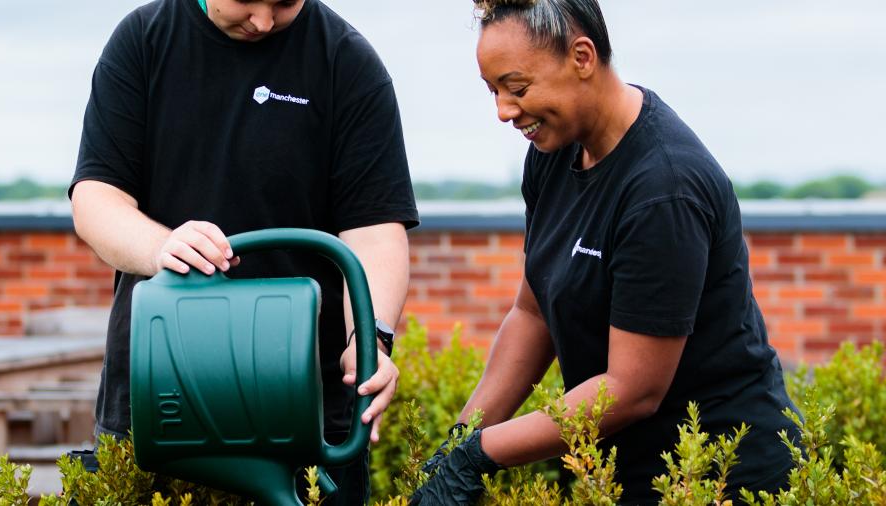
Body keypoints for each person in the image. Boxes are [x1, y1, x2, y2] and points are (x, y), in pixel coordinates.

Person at [411, 0, 800, 504]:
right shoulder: (554, 154)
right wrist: (458, 444)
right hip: (621, 475)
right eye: (493, 91)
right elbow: (533, 314)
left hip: (718, 479)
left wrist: (482, 453)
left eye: (517, 88)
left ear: (582, 56)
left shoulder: (664, 190)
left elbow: (633, 388)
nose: (504, 111)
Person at [69, 0, 419, 501]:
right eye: (248, 0)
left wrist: (370, 341)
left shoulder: (347, 61)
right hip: (155, 408)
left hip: (307, 422)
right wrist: (161, 246)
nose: (263, 21)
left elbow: (374, 231)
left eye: (285, 2)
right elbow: (95, 200)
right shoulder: (142, 42)